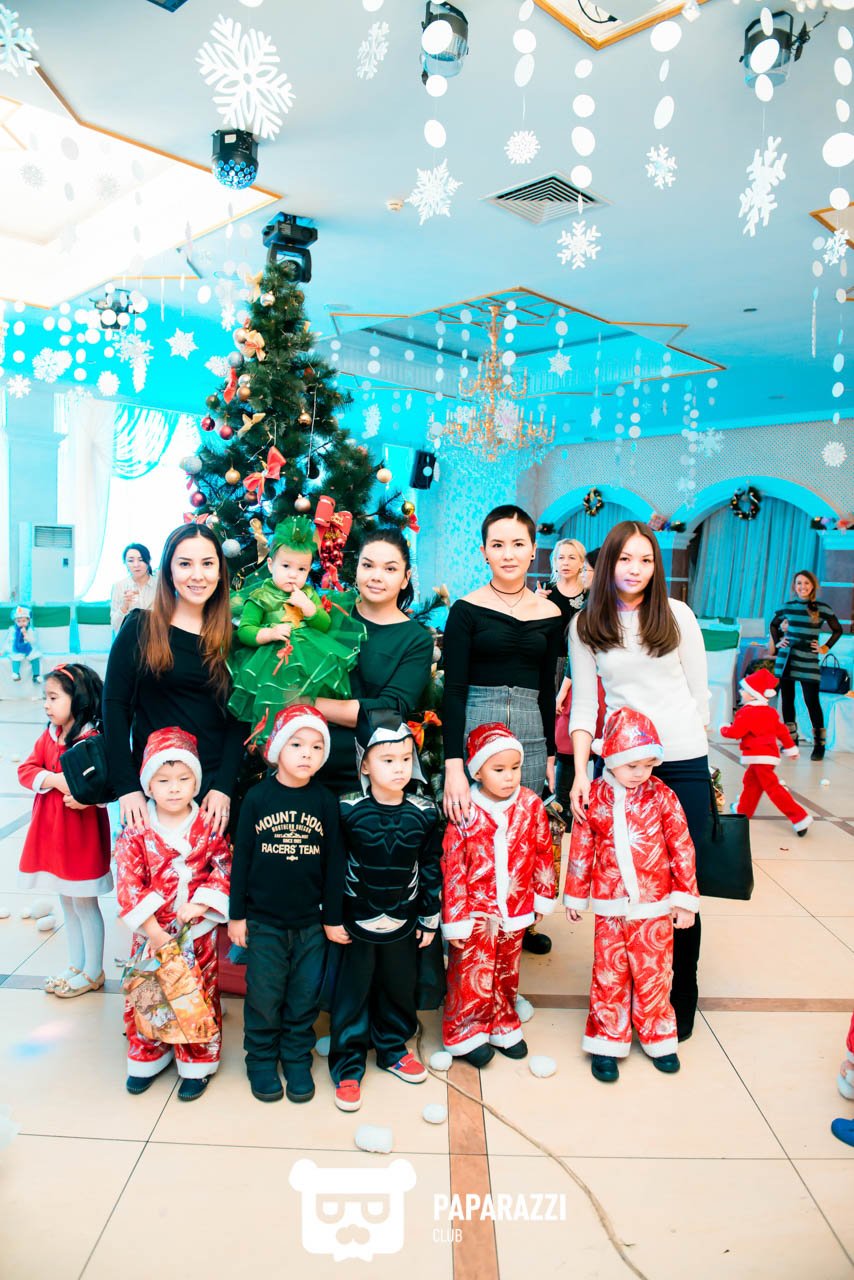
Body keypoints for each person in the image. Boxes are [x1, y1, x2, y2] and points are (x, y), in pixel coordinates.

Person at [568, 521, 709, 1042]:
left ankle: (679, 993)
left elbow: (699, 691)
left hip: (682, 758)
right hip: (623, 764)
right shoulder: (586, 624)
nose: (636, 569)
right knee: (625, 880)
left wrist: (697, 750)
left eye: (645, 560)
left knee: (680, 883)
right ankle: (626, 992)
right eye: (625, 559)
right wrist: (580, 773)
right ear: (608, 563)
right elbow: (585, 705)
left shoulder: (677, 615)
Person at [441, 505, 563, 955]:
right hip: (476, 722)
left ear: (533, 550)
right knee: (474, 831)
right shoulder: (466, 610)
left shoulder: (551, 613)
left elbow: (548, 688)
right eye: (497, 545)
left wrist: (550, 753)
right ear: (484, 552)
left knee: (521, 832)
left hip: (530, 730)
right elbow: (453, 690)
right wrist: (454, 764)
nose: (507, 554)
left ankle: (518, 925)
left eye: (517, 544)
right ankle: (469, 926)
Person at [564, 708, 699, 1082]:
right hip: (610, 907)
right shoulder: (595, 796)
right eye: (631, 765)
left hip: (655, 908)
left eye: (647, 765)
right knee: (609, 974)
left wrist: (684, 899)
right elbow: (582, 847)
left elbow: (682, 846)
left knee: (655, 974)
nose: (640, 773)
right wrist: (575, 895)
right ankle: (607, 1040)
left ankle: (659, 1036)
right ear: (610, 758)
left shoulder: (662, 796)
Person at [325, 711, 441, 1112]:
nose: (399, 768)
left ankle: (393, 1048)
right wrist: (332, 916)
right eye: (387, 760)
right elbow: (334, 866)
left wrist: (429, 916)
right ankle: (347, 1063)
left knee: (397, 986)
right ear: (365, 764)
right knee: (352, 992)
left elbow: (430, 865)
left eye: (406, 759)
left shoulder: (425, 812)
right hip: (356, 919)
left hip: (404, 918)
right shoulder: (346, 810)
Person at [228, 705, 342, 1105]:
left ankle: (296, 1057)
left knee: (304, 995)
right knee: (264, 994)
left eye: (316, 746)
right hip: (264, 922)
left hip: (311, 923)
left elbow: (334, 864)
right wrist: (237, 916)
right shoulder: (257, 798)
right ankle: (260, 1058)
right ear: (277, 748)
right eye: (296, 744)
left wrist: (333, 918)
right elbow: (241, 859)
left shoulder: (325, 801)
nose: (306, 753)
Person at [103, 524, 245, 836]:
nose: (198, 575)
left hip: (211, 800)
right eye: (185, 564)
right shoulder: (140, 627)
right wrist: (127, 787)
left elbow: (238, 720)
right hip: (152, 796)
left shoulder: (233, 640)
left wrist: (223, 787)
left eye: (207, 564)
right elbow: (114, 708)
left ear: (220, 572)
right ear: (168, 570)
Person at [116, 727, 232, 1100]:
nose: (174, 789)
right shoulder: (136, 830)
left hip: (196, 932)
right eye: (163, 780)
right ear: (148, 785)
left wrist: (201, 905)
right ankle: (148, 1055)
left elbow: (224, 867)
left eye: (184, 779)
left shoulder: (207, 826)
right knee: (148, 994)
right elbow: (128, 880)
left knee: (198, 995)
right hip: (151, 934)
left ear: (196, 782)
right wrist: (152, 930)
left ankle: (197, 1060)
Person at [441, 723, 556, 1066]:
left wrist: (541, 896)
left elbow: (543, 852)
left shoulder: (530, 805)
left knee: (507, 970)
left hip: (515, 908)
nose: (509, 777)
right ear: (477, 771)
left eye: (515, 768)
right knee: (471, 973)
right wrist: (456, 918)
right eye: (499, 769)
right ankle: (465, 1031)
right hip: (476, 914)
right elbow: (453, 866)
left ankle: (503, 1022)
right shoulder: (465, 810)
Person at [315, 528, 433, 796]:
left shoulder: (416, 640)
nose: (376, 576)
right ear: (356, 568)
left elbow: (388, 710)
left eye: (390, 569)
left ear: (405, 578)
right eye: (368, 565)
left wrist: (309, 703)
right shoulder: (328, 612)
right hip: (304, 757)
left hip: (368, 772)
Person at [228, 515, 365, 745]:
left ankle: (307, 735)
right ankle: (271, 737)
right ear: (270, 565)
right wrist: (269, 633)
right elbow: (245, 630)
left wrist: (309, 608)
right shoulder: (261, 596)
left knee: (307, 697)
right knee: (275, 699)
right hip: (271, 660)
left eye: (301, 569)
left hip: (308, 656)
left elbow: (324, 624)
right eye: (286, 566)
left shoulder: (308, 593)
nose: (293, 574)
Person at [17, 663, 112, 996]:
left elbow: (107, 785)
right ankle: (76, 964)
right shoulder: (49, 735)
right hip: (53, 833)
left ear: (78, 698)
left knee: (84, 902)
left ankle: (93, 970)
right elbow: (27, 770)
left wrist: (88, 798)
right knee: (67, 902)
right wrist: (54, 779)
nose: (47, 704)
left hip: (81, 837)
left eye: (54, 697)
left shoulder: (92, 739)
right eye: (46, 697)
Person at [720, 668, 812, 835]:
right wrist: (791, 748)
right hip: (768, 757)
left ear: (752, 695)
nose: (741, 692)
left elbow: (735, 732)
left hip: (757, 756)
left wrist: (724, 728)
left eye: (744, 690)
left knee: (773, 788)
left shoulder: (746, 712)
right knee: (751, 783)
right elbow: (782, 731)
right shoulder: (770, 712)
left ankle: (799, 817)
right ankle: (743, 811)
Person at [770, 569, 842, 762]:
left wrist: (825, 647)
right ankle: (790, 741)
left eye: (806, 583)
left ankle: (819, 745)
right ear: (794, 586)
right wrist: (779, 642)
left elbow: (837, 629)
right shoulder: (787, 607)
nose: (802, 587)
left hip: (808, 659)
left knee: (812, 701)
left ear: (813, 586)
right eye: (799, 583)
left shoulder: (822, 608)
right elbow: (773, 625)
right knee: (787, 700)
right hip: (788, 658)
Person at [110, 543, 157, 634]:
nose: (136, 565)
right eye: (131, 561)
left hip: (154, 636)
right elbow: (115, 625)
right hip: (128, 637)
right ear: (125, 563)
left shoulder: (160, 585)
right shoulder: (119, 586)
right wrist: (125, 606)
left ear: (149, 560)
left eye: (141, 560)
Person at [3, 604, 42, 683]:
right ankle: (16, 673)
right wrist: (3, 650)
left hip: (28, 648)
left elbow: (33, 641)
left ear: (28, 621)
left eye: (24, 621)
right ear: (15, 621)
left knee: (35, 657)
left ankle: (36, 675)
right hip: (17, 648)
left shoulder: (30, 630)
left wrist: (26, 635)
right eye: (18, 621)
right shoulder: (12, 630)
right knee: (15, 657)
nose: (21, 623)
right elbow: (8, 641)